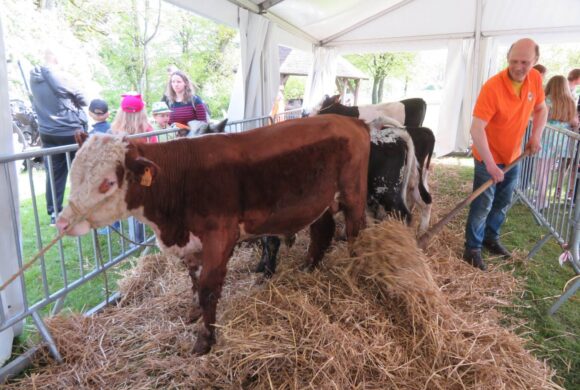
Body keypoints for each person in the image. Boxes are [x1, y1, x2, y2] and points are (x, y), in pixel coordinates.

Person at [463, 38, 548, 271]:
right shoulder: (492, 87)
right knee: (482, 204)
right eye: (513, 61)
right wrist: (490, 164)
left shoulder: (535, 79)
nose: (518, 67)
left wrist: (536, 137)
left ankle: (491, 238)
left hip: (514, 156)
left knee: (502, 202)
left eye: (525, 62)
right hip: (487, 157)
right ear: (507, 59)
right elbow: (476, 128)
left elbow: (542, 109)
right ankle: (472, 248)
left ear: (535, 61)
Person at [30, 49, 88, 226]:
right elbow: (83, 100)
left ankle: (55, 212)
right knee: (80, 169)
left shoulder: (34, 79)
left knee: (55, 173)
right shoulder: (63, 77)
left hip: (48, 133)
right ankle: (81, 207)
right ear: (56, 59)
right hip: (70, 131)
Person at [536, 75, 580, 208]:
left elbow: (541, 118)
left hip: (547, 138)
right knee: (547, 171)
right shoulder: (570, 102)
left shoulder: (547, 100)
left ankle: (542, 200)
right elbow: (574, 122)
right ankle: (542, 199)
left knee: (540, 171)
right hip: (562, 140)